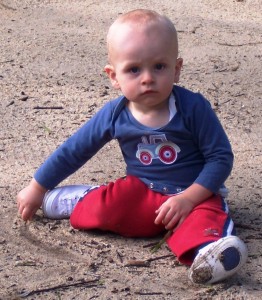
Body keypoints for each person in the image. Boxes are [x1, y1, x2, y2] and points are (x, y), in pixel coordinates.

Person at [17, 9, 247, 284]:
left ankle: (209, 254)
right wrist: (37, 187)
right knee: (109, 207)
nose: (147, 78)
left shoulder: (192, 107)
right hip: (143, 192)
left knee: (206, 219)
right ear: (114, 76)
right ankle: (84, 199)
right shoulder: (115, 114)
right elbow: (74, 150)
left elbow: (219, 158)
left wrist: (189, 198)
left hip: (195, 194)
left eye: (159, 66)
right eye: (134, 69)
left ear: (176, 69)